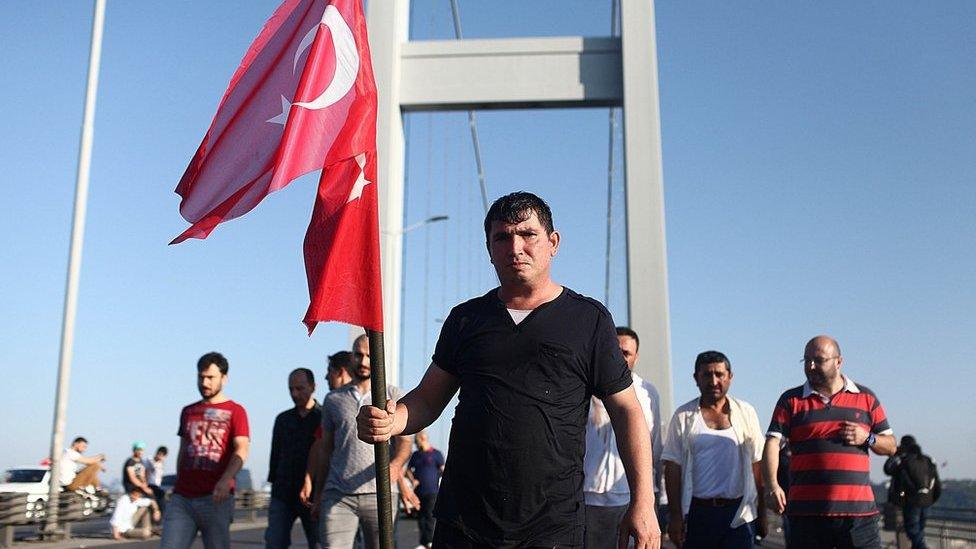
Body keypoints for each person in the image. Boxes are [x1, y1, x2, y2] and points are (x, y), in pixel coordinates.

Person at [357, 192, 661, 548]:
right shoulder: (465, 320)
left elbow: (626, 410)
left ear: (553, 243)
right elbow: (427, 398)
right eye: (502, 237)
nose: (515, 247)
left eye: (528, 234)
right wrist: (391, 421)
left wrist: (643, 502)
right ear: (489, 249)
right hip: (464, 522)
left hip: (552, 528)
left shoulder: (588, 320)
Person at [763, 335, 896, 548]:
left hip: (859, 517)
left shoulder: (866, 398)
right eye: (806, 360)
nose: (811, 366)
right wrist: (771, 485)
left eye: (818, 360)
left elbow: (890, 445)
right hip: (807, 516)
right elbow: (772, 443)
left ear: (838, 362)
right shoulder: (791, 400)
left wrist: (867, 437)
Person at [311, 334, 417, 549]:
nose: (364, 361)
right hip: (338, 492)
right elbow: (325, 449)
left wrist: (395, 467)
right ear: (351, 357)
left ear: (379, 357)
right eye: (359, 355)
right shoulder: (333, 399)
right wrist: (319, 491)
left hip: (380, 493)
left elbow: (405, 443)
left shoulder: (394, 395)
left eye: (369, 355)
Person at [661, 350, 766, 548]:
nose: (713, 381)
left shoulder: (746, 412)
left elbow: (757, 464)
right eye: (707, 375)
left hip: (739, 512)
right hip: (698, 512)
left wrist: (761, 513)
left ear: (730, 377)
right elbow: (673, 466)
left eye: (719, 374)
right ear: (696, 378)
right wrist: (675, 516)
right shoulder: (683, 416)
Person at [160, 352, 250, 549]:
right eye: (201, 377)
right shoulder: (188, 411)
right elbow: (183, 450)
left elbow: (242, 449)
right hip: (182, 498)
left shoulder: (236, 411)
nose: (205, 382)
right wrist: (178, 483)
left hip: (216, 498)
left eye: (210, 377)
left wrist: (227, 479)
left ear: (224, 379)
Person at [583, 326, 662, 549]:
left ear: (636, 357)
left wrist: (651, 498)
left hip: (632, 498)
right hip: (589, 499)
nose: (620, 358)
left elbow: (655, 445)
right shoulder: (584, 388)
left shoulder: (648, 393)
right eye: (615, 351)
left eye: (626, 353)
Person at [264, 368, 321, 549]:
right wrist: (274, 484)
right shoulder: (282, 419)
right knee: (274, 542)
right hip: (283, 494)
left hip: (313, 495)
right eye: (291, 389)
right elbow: (275, 455)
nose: (295, 394)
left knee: (319, 543)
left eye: (300, 388)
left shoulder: (324, 417)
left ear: (313, 387)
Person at [884, 435, 941, 549]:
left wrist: (894, 454)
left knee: (913, 531)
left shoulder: (903, 461)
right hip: (927, 501)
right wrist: (932, 499)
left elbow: (888, 469)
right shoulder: (927, 460)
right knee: (919, 531)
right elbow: (937, 483)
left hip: (911, 502)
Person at [406, 430, 445, 548]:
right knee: (421, 517)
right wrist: (413, 480)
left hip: (432, 491)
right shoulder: (416, 455)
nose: (416, 445)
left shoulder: (436, 454)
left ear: (423, 439)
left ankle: (430, 540)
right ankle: (423, 542)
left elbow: (443, 469)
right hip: (419, 491)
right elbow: (408, 470)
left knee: (430, 516)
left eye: (417, 442)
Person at [146, 446, 169, 515]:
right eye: (159, 454)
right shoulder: (150, 461)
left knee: (162, 503)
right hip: (150, 485)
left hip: (158, 486)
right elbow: (146, 472)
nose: (160, 456)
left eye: (162, 455)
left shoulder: (161, 464)